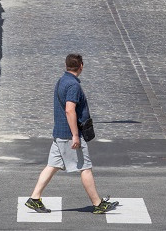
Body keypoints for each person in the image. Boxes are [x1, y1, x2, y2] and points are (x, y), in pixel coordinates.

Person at [24, 54, 119, 215]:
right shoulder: (73, 85)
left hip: (59, 133)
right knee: (85, 168)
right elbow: (70, 110)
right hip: (69, 135)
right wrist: (75, 135)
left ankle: (34, 198)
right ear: (81, 65)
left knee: (52, 166)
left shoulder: (62, 81)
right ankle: (98, 204)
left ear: (67, 65)